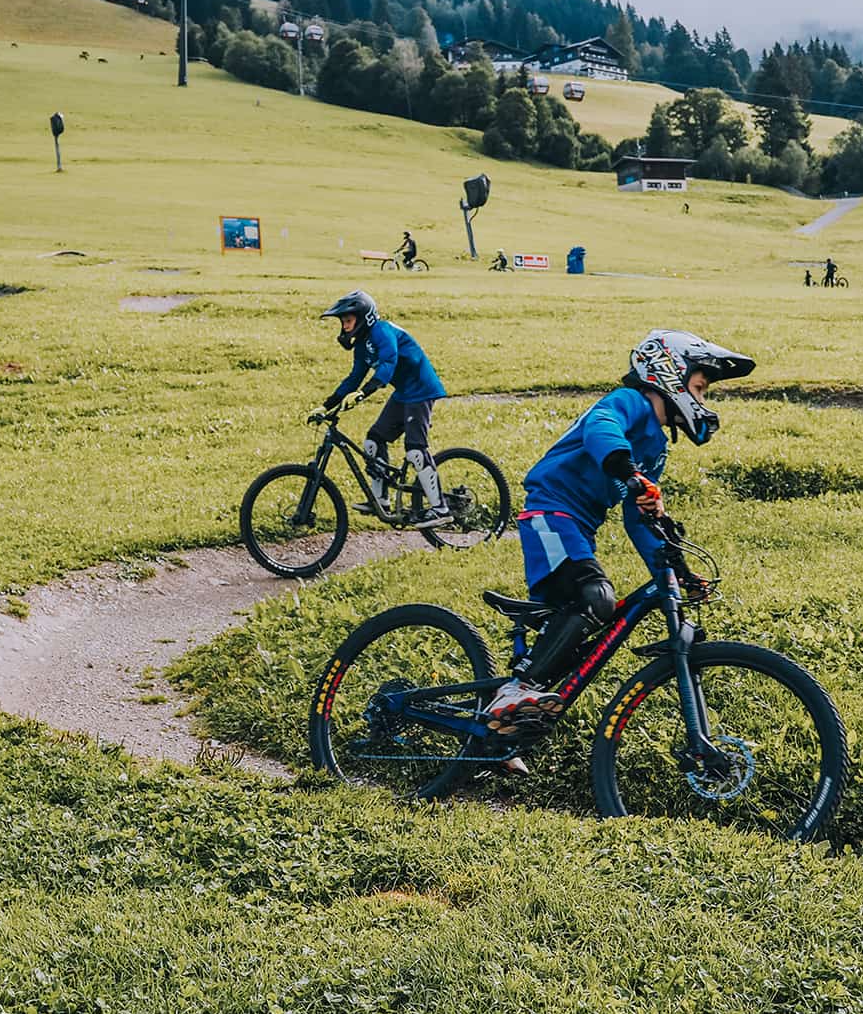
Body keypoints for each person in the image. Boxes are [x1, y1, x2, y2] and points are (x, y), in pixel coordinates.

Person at [482, 330, 755, 735]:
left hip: (579, 528)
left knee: (573, 642)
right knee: (598, 597)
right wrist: (628, 473)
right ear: (670, 373)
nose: (701, 402)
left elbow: (636, 518)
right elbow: (600, 428)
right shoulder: (628, 403)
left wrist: (675, 567)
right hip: (551, 511)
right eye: (699, 389)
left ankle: (503, 732)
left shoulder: (656, 448)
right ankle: (515, 692)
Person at [314, 290, 450, 527]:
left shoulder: (381, 331)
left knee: (415, 450)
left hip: (421, 389)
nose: (345, 327)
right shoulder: (362, 347)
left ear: (363, 317)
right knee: (373, 440)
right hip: (403, 393)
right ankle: (381, 500)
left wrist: (366, 392)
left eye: (348, 320)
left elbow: (389, 361)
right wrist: (326, 405)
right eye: (343, 322)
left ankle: (441, 509)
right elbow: (354, 378)